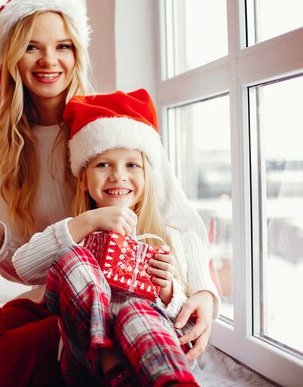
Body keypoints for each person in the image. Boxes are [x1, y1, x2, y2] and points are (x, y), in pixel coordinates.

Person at [0, 0, 215, 387]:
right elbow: (30, 265)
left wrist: (204, 293)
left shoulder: (111, 128)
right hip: (54, 297)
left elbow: (178, 218)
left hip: (108, 310)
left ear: (77, 53)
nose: (49, 60)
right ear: (11, 57)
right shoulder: (6, 149)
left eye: (63, 46)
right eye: (32, 46)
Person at [12, 89, 220, 386]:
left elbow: (181, 318)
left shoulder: (164, 237)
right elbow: (24, 265)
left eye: (131, 165)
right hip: (87, 366)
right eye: (103, 164)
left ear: (147, 177)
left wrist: (167, 290)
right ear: (83, 178)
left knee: (136, 310)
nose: (118, 176)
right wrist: (87, 221)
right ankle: (109, 363)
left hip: (148, 359)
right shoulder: (78, 233)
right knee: (76, 260)